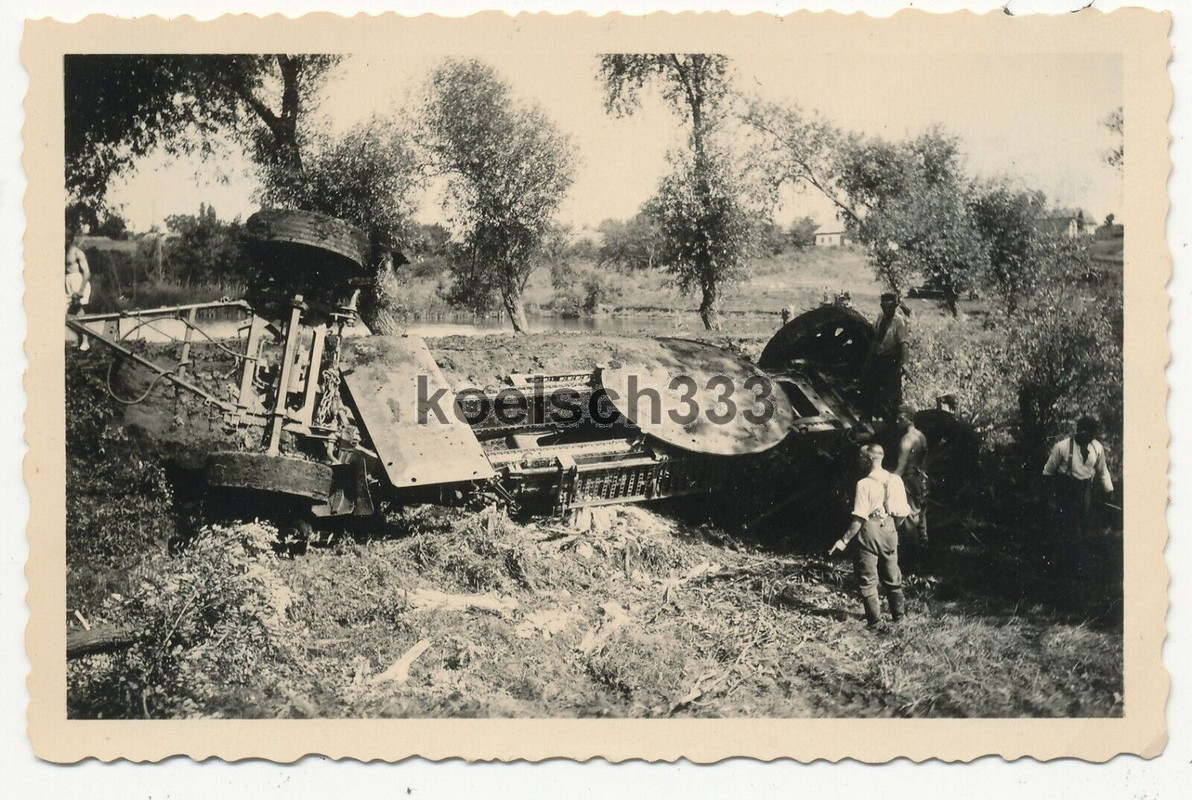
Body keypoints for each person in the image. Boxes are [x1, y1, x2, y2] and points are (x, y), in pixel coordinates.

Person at [828, 443, 911, 629]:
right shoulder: (896, 480)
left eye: (861, 457)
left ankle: (875, 623)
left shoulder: (863, 484)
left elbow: (859, 518)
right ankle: (900, 618)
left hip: (870, 530)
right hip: (890, 528)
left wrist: (843, 540)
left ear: (869, 459)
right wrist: (891, 527)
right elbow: (903, 512)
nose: (859, 460)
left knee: (867, 578)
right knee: (892, 574)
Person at [1042, 417, 1115, 587]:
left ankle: (1077, 570)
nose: (1090, 436)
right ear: (1079, 430)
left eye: (1093, 433)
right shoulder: (1062, 447)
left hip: (1085, 492)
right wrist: (1049, 497)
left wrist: (1110, 492)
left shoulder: (1097, 448)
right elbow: (1047, 472)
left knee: (1083, 528)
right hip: (1066, 491)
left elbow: (1103, 471)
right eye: (1087, 432)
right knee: (1067, 528)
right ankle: (1061, 571)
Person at [890, 405, 930, 567]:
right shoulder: (921, 436)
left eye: (901, 418)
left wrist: (888, 482)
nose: (897, 421)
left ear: (910, 419)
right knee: (920, 517)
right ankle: (923, 553)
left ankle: (910, 562)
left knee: (909, 520)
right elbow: (924, 463)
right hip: (921, 481)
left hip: (908, 481)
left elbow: (901, 467)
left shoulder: (906, 440)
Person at [861, 292, 910, 424]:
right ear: (881, 306)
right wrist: (868, 359)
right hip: (878, 359)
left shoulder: (899, 322)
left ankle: (893, 423)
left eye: (890, 307)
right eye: (884, 306)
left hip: (891, 361)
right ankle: (867, 421)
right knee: (869, 389)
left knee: (892, 396)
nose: (887, 310)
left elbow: (904, 344)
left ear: (895, 306)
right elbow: (876, 340)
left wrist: (904, 364)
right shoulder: (880, 318)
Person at [64, 233, 92, 351]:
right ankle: (79, 339)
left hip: (77, 282)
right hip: (66, 282)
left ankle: (85, 342)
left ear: (70, 239)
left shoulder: (77, 253)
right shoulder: (62, 252)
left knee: (78, 312)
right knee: (64, 314)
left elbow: (87, 272)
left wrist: (81, 290)